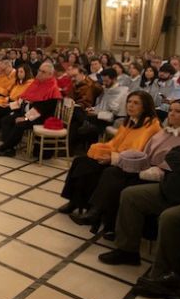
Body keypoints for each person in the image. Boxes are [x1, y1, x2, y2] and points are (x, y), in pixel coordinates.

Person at [97, 132, 180, 299]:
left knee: (170, 217)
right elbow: (173, 153)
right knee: (131, 195)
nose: (172, 114)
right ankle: (127, 250)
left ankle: (160, 275)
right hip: (173, 188)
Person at [71, 99, 180, 236]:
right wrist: (119, 160)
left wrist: (119, 160)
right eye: (170, 110)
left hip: (167, 177)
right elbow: (144, 154)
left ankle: (102, 218)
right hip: (147, 167)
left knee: (117, 180)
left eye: (178, 111)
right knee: (110, 171)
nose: (171, 114)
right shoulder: (165, 132)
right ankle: (98, 215)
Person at [59, 91, 162, 220]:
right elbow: (115, 143)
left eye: (136, 103)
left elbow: (136, 151)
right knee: (81, 161)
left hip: (131, 163)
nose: (131, 106)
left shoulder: (151, 124)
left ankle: (95, 211)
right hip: (117, 156)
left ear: (145, 106)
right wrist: (102, 151)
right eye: (129, 102)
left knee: (101, 170)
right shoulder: (130, 120)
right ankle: (74, 202)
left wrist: (111, 158)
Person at [0, 62, 62, 157]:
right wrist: (10, 106)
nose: (39, 73)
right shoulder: (37, 83)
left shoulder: (52, 89)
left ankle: (5, 148)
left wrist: (26, 118)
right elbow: (24, 99)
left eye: (43, 72)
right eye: (39, 70)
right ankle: (9, 148)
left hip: (40, 118)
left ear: (50, 75)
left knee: (19, 124)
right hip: (28, 112)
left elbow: (42, 110)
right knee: (6, 120)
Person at [0, 64, 34, 139]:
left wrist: (9, 104)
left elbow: (23, 101)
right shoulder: (18, 82)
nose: (19, 74)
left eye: (21, 72)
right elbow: (11, 93)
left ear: (27, 73)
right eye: (18, 72)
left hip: (18, 106)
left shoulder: (30, 84)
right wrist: (6, 100)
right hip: (11, 102)